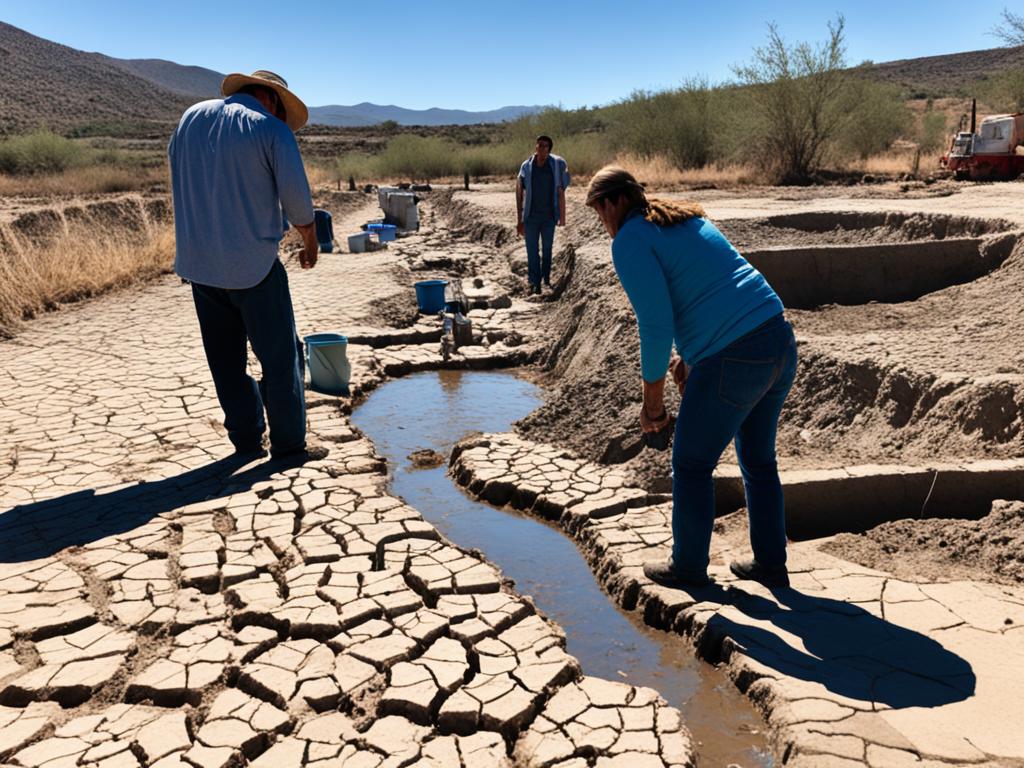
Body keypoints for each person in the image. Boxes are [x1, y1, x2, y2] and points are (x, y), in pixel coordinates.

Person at [585, 166, 798, 589]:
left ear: (613, 202)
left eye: (598, 212)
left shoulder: (630, 238)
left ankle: (688, 568)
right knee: (758, 461)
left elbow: (656, 323)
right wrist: (691, 356)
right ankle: (771, 563)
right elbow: (711, 290)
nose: (602, 223)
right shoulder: (684, 218)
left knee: (691, 463)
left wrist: (653, 403)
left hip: (735, 356)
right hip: (778, 340)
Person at [168, 70, 319, 460]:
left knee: (226, 363)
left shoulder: (191, 118)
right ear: (272, 99)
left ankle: (247, 442)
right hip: (253, 266)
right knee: (281, 359)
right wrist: (310, 240)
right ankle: (288, 446)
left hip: (200, 267)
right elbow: (298, 202)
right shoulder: (271, 129)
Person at [516, 135, 570, 294]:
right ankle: (534, 282)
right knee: (531, 250)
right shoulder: (526, 166)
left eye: (545, 146)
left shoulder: (556, 165)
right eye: (539, 145)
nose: (541, 148)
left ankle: (546, 278)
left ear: (549, 149)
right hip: (531, 217)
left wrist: (562, 215)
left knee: (547, 249)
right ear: (535, 147)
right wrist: (519, 219)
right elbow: (519, 191)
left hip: (549, 217)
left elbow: (562, 187)